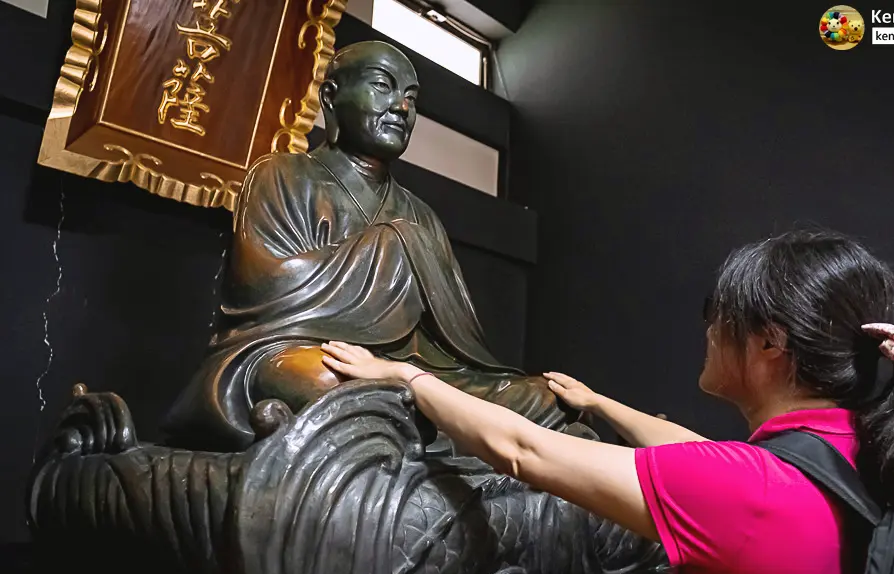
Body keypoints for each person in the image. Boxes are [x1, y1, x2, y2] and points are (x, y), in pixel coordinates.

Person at [320, 230, 894, 574]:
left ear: (771, 343)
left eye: (719, 320)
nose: (709, 334)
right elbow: (696, 454)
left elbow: (522, 448)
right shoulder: (864, 444)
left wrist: (407, 376)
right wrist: (598, 403)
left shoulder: (745, 492)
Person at [163, 41, 582, 451]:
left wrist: (405, 365)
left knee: (543, 398)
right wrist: (392, 248)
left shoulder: (422, 215)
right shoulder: (283, 175)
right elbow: (264, 290)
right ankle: (424, 429)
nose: (401, 107)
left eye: (411, 97)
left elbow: (455, 339)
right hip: (304, 349)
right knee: (328, 383)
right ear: (331, 97)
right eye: (383, 86)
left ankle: (416, 425)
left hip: (414, 370)